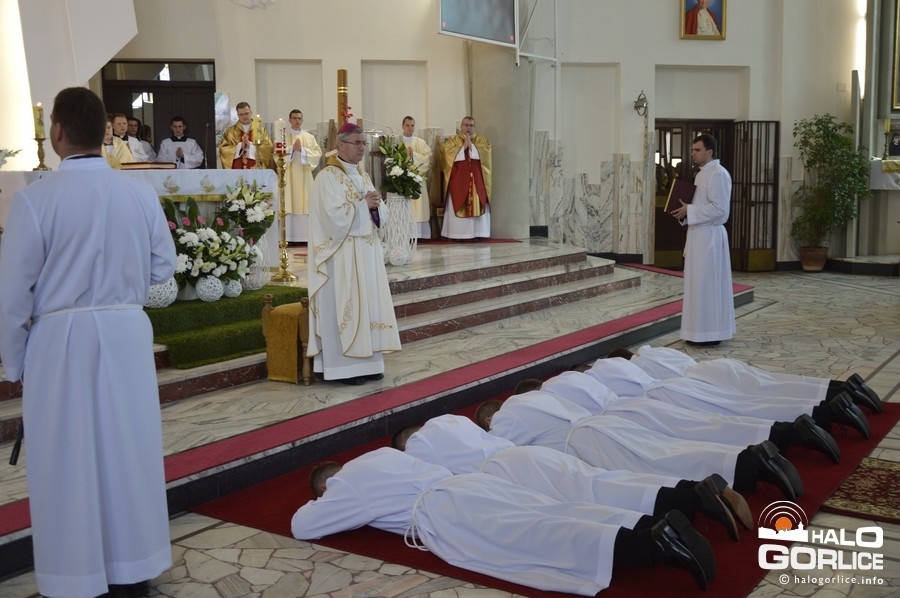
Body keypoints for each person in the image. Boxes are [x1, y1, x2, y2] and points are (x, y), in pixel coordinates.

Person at [0, 87, 177, 598]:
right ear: (104, 132)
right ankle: (133, 570)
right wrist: (119, 288)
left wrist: (15, 364)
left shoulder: (35, 200)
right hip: (125, 333)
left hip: (61, 340)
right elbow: (164, 266)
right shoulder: (138, 193)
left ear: (56, 132)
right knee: (128, 449)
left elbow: (12, 296)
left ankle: (76, 577)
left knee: (67, 457)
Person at [292, 447, 717, 593]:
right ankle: (647, 525)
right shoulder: (384, 456)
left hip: (450, 512)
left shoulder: (346, 484)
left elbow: (302, 526)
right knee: (556, 510)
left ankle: (650, 546)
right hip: (471, 485)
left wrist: (326, 497)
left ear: (328, 485)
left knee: (539, 535)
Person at [394, 414, 753, 540]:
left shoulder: (418, 445)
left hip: (505, 472)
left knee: (593, 499)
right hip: (527, 456)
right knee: (604, 481)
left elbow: (436, 476)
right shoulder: (452, 421)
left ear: (406, 442)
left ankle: (690, 501)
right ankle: (693, 491)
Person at [477, 388, 804, 500]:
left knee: (664, 463)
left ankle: (748, 465)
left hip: (588, 444)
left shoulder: (505, 416)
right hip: (604, 425)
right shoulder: (535, 397)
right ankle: (750, 457)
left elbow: (504, 451)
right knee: (671, 450)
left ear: (490, 418)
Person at [532, 368, 841, 464]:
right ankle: (794, 427)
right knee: (726, 415)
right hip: (646, 401)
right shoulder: (586, 373)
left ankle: (762, 451)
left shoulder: (548, 394)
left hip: (624, 415)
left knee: (682, 446)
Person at [307, 123, 401, 384]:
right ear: (341, 145)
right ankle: (344, 368)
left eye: (363, 143)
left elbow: (378, 215)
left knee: (369, 305)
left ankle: (370, 364)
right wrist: (363, 206)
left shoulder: (362, 174)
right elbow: (331, 218)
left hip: (367, 254)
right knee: (345, 306)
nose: (362, 148)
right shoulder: (326, 177)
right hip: (342, 256)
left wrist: (376, 206)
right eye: (357, 143)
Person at [585, 356, 872, 439]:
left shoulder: (605, 371)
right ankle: (837, 391)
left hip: (684, 388)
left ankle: (819, 412)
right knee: (772, 386)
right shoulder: (648, 354)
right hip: (706, 371)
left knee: (747, 408)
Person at [611, 345, 883, 413]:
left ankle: (836, 398)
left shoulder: (638, 366)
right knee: (778, 381)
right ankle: (842, 387)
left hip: (707, 378)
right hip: (718, 366)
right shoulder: (654, 351)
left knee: (772, 394)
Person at [670, 134, 734, 346]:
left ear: (710, 151)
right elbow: (699, 206)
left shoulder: (719, 174)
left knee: (708, 285)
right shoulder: (701, 175)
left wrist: (691, 210)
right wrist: (684, 212)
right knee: (696, 285)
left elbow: (720, 210)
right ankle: (696, 332)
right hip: (698, 236)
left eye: (697, 150)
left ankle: (711, 333)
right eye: (692, 150)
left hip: (710, 239)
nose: (693, 154)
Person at [439, 116, 492, 239]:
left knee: (477, 202)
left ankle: (477, 233)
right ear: (461, 126)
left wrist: (472, 147)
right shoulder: (452, 141)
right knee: (458, 200)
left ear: (474, 127)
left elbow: (487, 152)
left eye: (471, 125)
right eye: (466, 125)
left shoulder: (481, 140)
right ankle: (457, 234)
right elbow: (446, 154)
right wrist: (463, 148)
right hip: (459, 181)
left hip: (476, 181)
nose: (468, 128)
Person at [283, 109, 322, 238]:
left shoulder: (309, 137)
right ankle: (289, 237)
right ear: (290, 120)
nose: (297, 121)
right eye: (294, 118)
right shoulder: (283, 136)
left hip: (305, 174)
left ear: (302, 120)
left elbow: (317, 154)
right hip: (289, 175)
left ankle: (305, 237)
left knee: (306, 203)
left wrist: (302, 150)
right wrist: (291, 149)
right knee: (289, 201)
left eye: (299, 118)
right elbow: (277, 155)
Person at [399, 116, 433, 238]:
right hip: (402, 180)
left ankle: (420, 234)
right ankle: (406, 235)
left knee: (420, 207)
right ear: (402, 126)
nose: (410, 128)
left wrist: (413, 156)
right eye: (407, 125)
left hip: (418, 180)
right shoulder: (398, 142)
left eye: (412, 125)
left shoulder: (421, 143)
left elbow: (426, 160)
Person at [218, 101, 273, 169]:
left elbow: (268, 147)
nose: (244, 116)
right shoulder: (230, 132)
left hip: (255, 168)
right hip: (237, 169)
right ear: (238, 115)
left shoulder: (260, 130)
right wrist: (240, 146)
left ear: (251, 113)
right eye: (241, 114)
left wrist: (250, 145)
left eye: (246, 113)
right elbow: (224, 150)